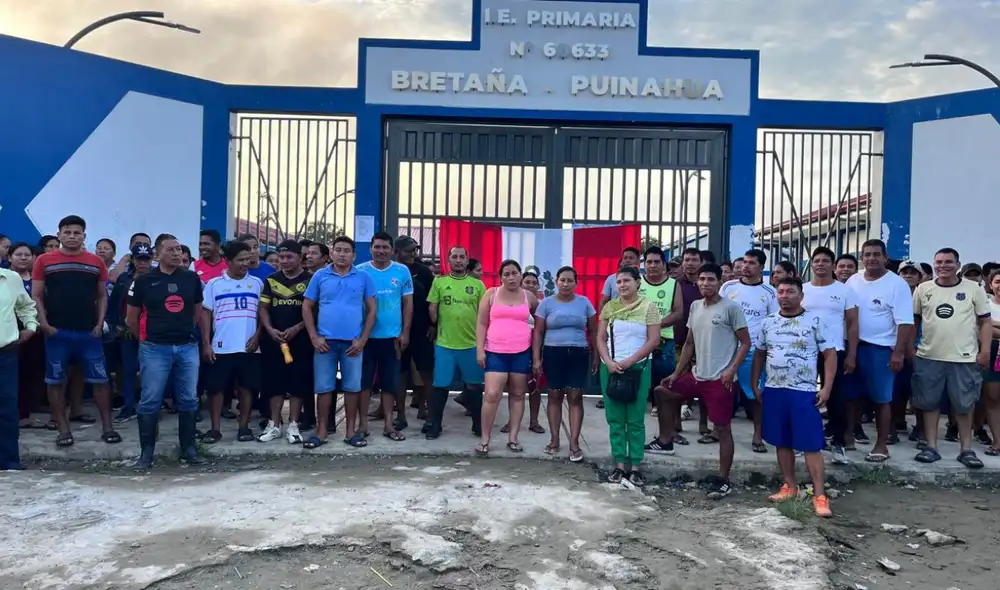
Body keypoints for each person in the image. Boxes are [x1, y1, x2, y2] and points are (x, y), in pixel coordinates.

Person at [657, 264, 750, 498]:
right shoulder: (696, 306)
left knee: (722, 429)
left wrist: (731, 370)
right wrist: (677, 373)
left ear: (720, 282)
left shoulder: (731, 308)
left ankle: (723, 479)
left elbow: (745, 343)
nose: (705, 283)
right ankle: (666, 440)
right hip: (697, 375)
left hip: (721, 379)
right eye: (702, 279)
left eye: (710, 279)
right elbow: (689, 343)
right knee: (662, 391)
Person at [32, 215, 119, 447]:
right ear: (59, 234)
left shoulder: (95, 262)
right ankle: (63, 429)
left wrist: (99, 325)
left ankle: (108, 428)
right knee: (56, 381)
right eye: (67, 232)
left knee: (100, 380)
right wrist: (45, 325)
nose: (72, 236)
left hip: (88, 333)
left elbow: (102, 296)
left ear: (84, 236)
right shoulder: (44, 260)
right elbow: (37, 296)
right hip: (57, 332)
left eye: (77, 232)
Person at [753, 277, 836, 517]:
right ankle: (790, 486)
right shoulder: (768, 323)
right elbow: (759, 354)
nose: (785, 296)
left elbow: (830, 355)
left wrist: (827, 387)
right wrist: (755, 383)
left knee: (811, 444)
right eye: (780, 291)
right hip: (775, 390)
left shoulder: (815, 321)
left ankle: (819, 495)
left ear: (801, 295)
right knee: (782, 441)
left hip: (804, 391)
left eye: (790, 291)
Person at [125, 235, 204, 468]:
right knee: (150, 400)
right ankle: (146, 453)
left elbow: (197, 313)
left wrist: (184, 331)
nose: (177, 253)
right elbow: (131, 318)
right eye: (171, 250)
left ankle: (189, 449)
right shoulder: (143, 281)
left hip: (187, 346)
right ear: (157, 254)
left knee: (189, 398)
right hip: (154, 348)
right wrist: (148, 339)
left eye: (179, 249)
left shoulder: (191, 279)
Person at [911, 248, 991, 468]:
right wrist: (910, 348)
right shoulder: (923, 289)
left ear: (958, 264)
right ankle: (931, 447)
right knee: (929, 403)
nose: (942, 265)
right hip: (929, 355)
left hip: (964, 357)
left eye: (948, 262)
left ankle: (966, 449)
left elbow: (984, 321)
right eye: (938, 262)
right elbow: (915, 322)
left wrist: (985, 351)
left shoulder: (974, 289)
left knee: (964, 405)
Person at [303, 236, 377, 448]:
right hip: (324, 343)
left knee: (352, 388)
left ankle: (351, 432)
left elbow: (372, 310)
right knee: (324, 388)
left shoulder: (363, 277)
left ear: (354, 255)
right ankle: (321, 432)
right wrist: (314, 337)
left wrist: (363, 339)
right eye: (338, 250)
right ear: (332, 253)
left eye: (347, 251)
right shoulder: (320, 275)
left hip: (353, 344)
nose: (342, 254)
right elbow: (307, 307)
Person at [846, 239, 914, 463]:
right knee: (851, 396)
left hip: (882, 349)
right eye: (867, 255)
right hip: (854, 347)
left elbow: (905, 322)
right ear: (862, 258)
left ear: (885, 257)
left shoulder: (896, 284)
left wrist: (899, 353)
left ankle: (881, 444)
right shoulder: (853, 281)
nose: (871, 258)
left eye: (876, 254)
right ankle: (847, 439)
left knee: (881, 400)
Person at [596, 266, 661, 486]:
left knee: (635, 419)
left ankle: (635, 466)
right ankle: (619, 465)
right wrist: (608, 361)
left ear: (638, 283)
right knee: (614, 419)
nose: (622, 285)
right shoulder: (609, 307)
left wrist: (630, 361)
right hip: (611, 369)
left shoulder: (648, 307)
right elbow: (600, 338)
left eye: (626, 281)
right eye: (619, 281)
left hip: (639, 368)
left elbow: (653, 340)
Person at [200, 240, 264, 444]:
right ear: (227, 261)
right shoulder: (214, 285)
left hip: (249, 348)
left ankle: (244, 426)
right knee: (216, 388)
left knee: (247, 388)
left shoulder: (257, 284)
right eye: (240, 260)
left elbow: (263, 314)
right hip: (222, 346)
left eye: (248, 259)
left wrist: (258, 336)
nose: (245, 263)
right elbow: (205, 315)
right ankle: (215, 428)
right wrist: (206, 343)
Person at [532, 266, 596, 462]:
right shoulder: (546, 304)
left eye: (570, 280)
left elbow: (594, 331)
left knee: (575, 396)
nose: (566, 284)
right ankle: (554, 439)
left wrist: (596, 357)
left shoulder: (584, 303)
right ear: (556, 281)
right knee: (554, 395)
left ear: (576, 283)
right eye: (563, 280)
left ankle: (574, 443)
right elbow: (538, 333)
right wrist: (536, 358)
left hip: (578, 352)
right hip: (553, 353)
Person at [802, 246, 858, 465]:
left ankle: (838, 443)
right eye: (817, 260)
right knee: (805, 396)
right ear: (811, 263)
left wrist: (852, 354)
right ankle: (807, 439)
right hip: (804, 351)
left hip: (835, 351)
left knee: (836, 398)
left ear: (833, 265)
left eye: (826, 261)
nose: (820, 264)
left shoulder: (844, 290)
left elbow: (852, 325)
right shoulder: (803, 289)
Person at [476, 260, 538, 455]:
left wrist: (536, 356)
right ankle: (485, 439)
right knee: (492, 394)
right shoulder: (491, 294)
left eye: (515, 273)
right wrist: (480, 349)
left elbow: (538, 324)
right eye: (507, 274)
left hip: (521, 351)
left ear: (521, 274)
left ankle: (513, 438)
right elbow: (481, 323)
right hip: (495, 351)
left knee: (518, 394)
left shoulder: (529, 297)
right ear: (500, 277)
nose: (511, 277)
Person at [357, 233, 414, 442]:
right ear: (371, 248)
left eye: (385, 247)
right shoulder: (361, 271)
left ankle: (389, 424)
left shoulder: (401, 271)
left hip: (392, 338)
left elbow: (408, 304)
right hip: (365, 338)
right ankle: (363, 424)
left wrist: (405, 332)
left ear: (392, 250)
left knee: (390, 383)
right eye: (377, 247)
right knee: (364, 383)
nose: (381, 251)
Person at [425, 246, 486, 439]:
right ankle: (435, 425)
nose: (458, 260)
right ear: (448, 260)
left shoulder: (478, 285)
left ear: (467, 261)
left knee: (475, 386)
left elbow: (484, 315)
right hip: (445, 345)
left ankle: (478, 425)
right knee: (440, 386)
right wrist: (435, 322)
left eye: (462, 257)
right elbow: (432, 308)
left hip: (471, 345)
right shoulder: (439, 283)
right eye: (454, 257)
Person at [720, 249, 778, 453]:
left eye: (752, 263)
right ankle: (717, 430)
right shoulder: (728, 287)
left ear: (761, 267)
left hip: (753, 350)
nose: (746, 266)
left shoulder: (770, 292)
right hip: (727, 348)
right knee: (720, 390)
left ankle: (758, 434)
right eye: (744, 262)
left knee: (755, 393)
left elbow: (773, 322)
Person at [257, 240, 314, 443]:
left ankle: (293, 425)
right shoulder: (271, 280)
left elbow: (314, 310)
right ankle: (274, 425)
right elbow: (263, 308)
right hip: (274, 340)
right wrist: (270, 329)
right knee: (274, 383)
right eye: (281, 257)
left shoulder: (311, 280)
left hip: (301, 340)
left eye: (289, 257)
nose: (284, 261)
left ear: (300, 257)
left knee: (298, 383)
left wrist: (297, 328)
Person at [640, 247, 686, 452]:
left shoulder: (673, 284)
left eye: (656, 262)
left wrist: (656, 327)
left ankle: (670, 433)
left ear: (664, 264)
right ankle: (636, 436)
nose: (652, 266)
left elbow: (678, 313)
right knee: (640, 392)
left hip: (663, 344)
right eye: (648, 262)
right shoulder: (637, 283)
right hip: (639, 343)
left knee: (666, 391)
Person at [1, 255, 39, 469]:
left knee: (7, 408)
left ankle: (9, 462)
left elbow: (26, 306)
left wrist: (31, 326)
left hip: (5, 353)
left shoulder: (10, 278)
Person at [110, 243, 155, 423]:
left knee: (151, 372)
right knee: (128, 371)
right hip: (127, 332)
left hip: (152, 332)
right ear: (133, 259)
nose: (142, 263)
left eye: (146, 259)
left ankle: (150, 407)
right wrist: (116, 326)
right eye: (139, 259)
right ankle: (129, 407)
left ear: (152, 260)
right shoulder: (124, 278)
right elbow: (115, 304)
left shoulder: (158, 278)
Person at [500, 270, 545, 435]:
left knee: (535, 385)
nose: (531, 285)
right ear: (521, 283)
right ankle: (512, 420)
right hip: (513, 348)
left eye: (534, 283)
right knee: (513, 387)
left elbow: (542, 328)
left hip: (534, 347)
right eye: (528, 282)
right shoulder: (513, 302)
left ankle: (534, 421)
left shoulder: (541, 304)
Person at [395, 236, 435, 421]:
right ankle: (400, 415)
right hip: (396, 331)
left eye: (414, 250)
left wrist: (433, 325)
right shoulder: (392, 271)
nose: (412, 254)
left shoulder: (424, 272)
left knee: (426, 372)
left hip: (421, 330)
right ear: (397, 252)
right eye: (408, 250)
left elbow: (434, 301)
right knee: (400, 373)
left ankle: (425, 409)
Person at [674, 248, 706, 441]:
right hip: (679, 340)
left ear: (701, 262)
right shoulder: (675, 285)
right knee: (678, 380)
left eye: (694, 260)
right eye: (686, 260)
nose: (689, 263)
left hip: (704, 340)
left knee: (703, 382)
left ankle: (703, 422)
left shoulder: (707, 284)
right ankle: (676, 420)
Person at [982, 269, 1000, 456]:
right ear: (991, 284)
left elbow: (989, 325)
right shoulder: (985, 304)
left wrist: (994, 324)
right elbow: (982, 325)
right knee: (993, 398)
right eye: (998, 281)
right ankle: (997, 441)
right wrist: (990, 325)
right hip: (993, 351)